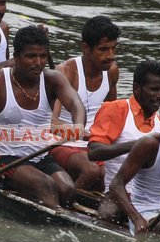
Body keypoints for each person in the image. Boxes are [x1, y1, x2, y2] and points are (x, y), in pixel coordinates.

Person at [0, 26, 86, 208]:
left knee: (68, 191)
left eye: (43, 56)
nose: (38, 62)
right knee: (46, 186)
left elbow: (76, 104)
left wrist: (78, 125)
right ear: (16, 58)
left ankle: (44, 206)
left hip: (41, 157)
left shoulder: (53, 79)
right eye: (31, 56)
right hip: (5, 158)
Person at [88, 60, 160, 220]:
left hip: (152, 198)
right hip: (117, 193)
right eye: (154, 89)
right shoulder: (116, 110)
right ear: (137, 88)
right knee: (108, 214)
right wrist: (139, 145)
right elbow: (94, 152)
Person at [50, 16, 120, 191]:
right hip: (61, 142)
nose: (110, 56)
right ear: (86, 48)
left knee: (111, 179)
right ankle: (67, 203)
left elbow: (112, 114)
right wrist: (83, 133)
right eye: (103, 49)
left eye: (113, 48)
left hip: (92, 145)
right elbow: (49, 123)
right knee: (91, 171)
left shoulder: (112, 71)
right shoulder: (65, 72)